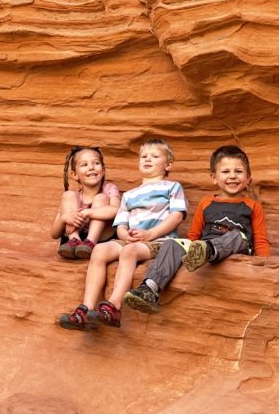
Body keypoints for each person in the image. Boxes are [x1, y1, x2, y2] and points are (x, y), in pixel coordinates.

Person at [123, 144, 269, 314]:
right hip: (203, 246)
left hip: (236, 245)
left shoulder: (252, 206)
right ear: (214, 177)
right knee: (173, 244)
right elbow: (193, 234)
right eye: (226, 172)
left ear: (248, 179)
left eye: (238, 172)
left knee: (238, 235)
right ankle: (150, 288)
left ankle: (209, 250)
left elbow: (260, 238)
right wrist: (186, 247)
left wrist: (263, 265)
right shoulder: (206, 202)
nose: (232, 177)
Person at [56, 138, 185, 330]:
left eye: (155, 156)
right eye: (143, 156)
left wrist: (149, 234)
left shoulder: (172, 187)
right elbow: (121, 224)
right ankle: (86, 309)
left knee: (129, 252)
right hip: (132, 239)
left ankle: (114, 306)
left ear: (168, 165)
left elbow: (176, 217)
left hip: (159, 240)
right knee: (99, 250)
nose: (147, 159)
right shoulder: (130, 194)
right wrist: (124, 235)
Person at [50, 145, 120, 259]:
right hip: (71, 244)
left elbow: (116, 211)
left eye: (96, 163)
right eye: (84, 165)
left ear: (103, 170)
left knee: (101, 198)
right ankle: (74, 240)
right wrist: (65, 218)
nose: (91, 167)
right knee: (68, 195)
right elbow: (54, 234)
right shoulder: (74, 198)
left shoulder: (109, 189)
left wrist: (87, 212)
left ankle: (90, 242)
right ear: (75, 175)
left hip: (100, 239)